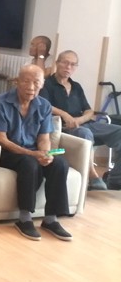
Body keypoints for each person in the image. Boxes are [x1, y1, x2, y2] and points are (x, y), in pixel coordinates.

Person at [0, 65, 73, 241]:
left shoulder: (44, 105)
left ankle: (51, 219)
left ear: (42, 84)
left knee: (60, 163)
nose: (31, 87)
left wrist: (45, 154)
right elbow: (1, 139)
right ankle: (24, 218)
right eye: (26, 81)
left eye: (36, 82)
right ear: (17, 82)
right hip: (5, 152)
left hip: (31, 151)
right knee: (29, 163)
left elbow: (44, 137)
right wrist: (32, 155)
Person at [40, 51, 121, 191]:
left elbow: (89, 111)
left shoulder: (76, 86)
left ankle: (115, 179)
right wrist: (65, 115)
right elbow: (43, 104)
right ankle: (93, 176)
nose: (68, 67)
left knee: (119, 132)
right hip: (63, 127)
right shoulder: (47, 84)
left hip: (84, 124)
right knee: (85, 133)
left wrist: (79, 119)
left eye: (73, 64)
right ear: (57, 63)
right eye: (65, 62)